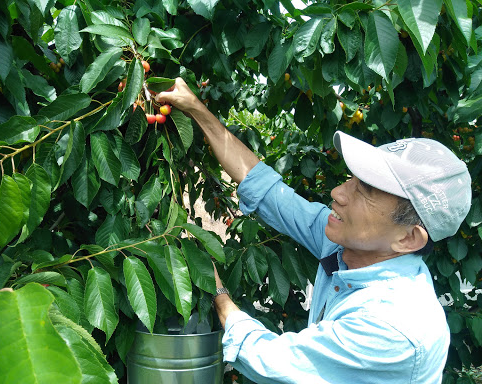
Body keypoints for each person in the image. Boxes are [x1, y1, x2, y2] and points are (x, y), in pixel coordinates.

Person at [156, 78, 472, 384]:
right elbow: (266, 189)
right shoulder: (353, 245)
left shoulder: (394, 326)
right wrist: (196, 108)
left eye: (366, 191)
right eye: (353, 178)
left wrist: (217, 291)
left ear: (408, 238)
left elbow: (271, 360)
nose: (338, 192)